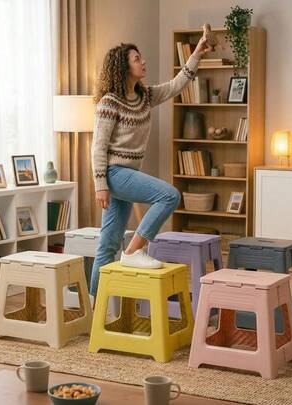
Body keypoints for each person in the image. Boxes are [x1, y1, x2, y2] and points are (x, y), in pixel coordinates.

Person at [90, 35, 210, 297]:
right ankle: (133, 251)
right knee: (169, 195)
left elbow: (176, 85)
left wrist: (197, 54)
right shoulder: (109, 102)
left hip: (128, 174)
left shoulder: (144, 97)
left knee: (108, 245)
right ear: (123, 66)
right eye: (137, 59)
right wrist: (100, 185)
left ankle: (94, 305)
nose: (143, 62)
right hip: (114, 173)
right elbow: (98, 147)